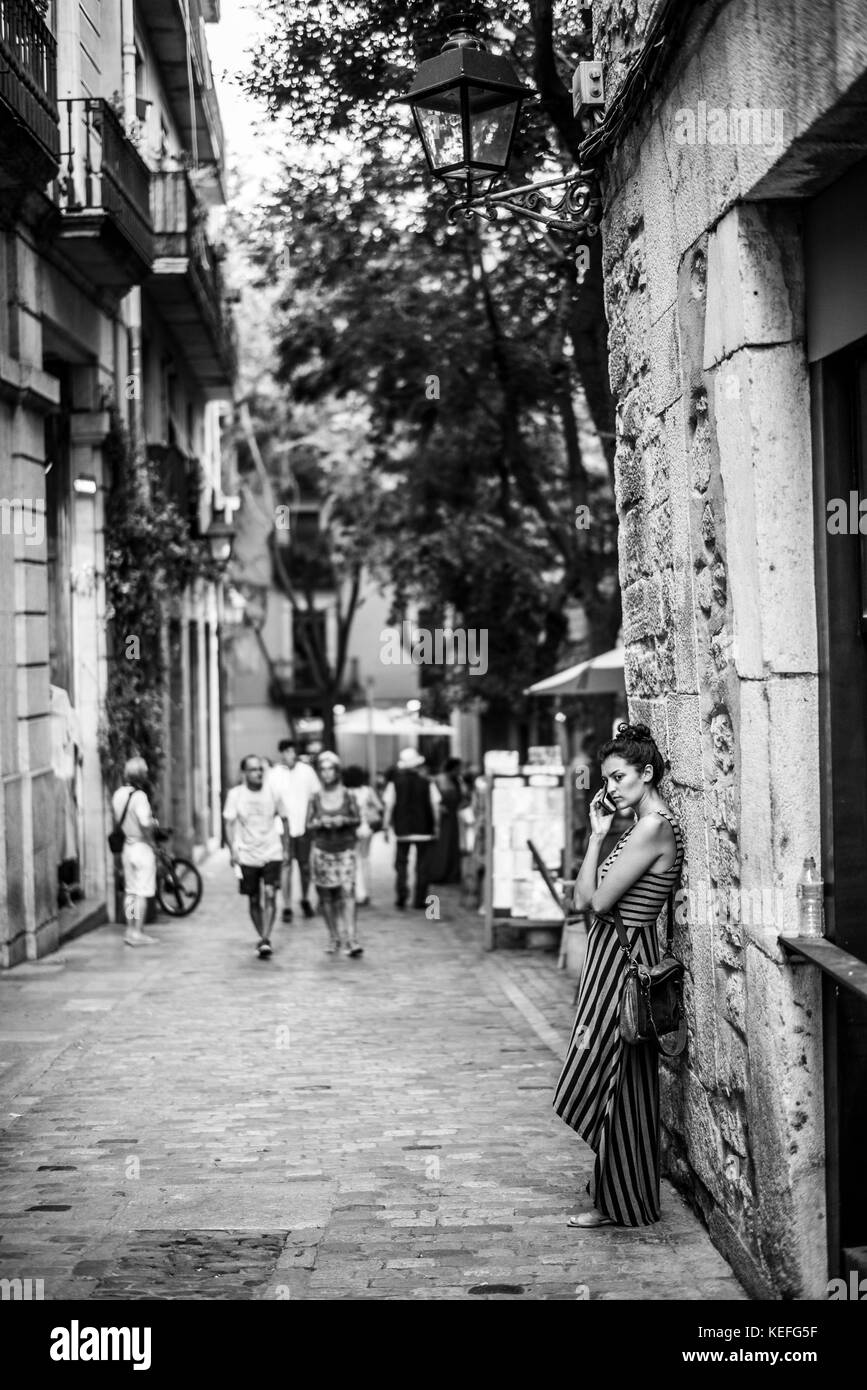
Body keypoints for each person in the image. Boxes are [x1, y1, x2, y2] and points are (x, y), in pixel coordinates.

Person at [553, 722, 684, 1229]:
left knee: (614, 1072)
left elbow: (598, 900)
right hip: (616, 954)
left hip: (625, 960)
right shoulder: (635, 827)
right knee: (619, 1075)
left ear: (646, 773)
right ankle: (618, 1197)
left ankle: (625, 1201)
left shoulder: (653, 827)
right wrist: (597, 836)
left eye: (619, 776)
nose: (609, 788)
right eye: (605, 779)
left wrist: (599, 845)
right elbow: (581, 898)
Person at [223, 755, 289, 959]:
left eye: (260, 769)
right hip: (247, 854)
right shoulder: (236, 795)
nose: (258, 773)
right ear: (244, 773)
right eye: (253, 770)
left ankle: (265, 938)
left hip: (271, 851)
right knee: (253, 899)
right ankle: (132, 921)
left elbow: (285, 819)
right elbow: (228, 823)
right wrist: (233, 849)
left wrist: (286, 849)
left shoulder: (272, 792)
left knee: (270, 893)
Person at [306, 752, 363, 957]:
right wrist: (321, 823)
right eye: (323, 769)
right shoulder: (314, 797)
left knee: (348, 892)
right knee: (327, 897)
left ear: (337, 772)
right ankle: (333, 936)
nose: (327, 773)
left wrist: (343, 820)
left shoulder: (348, 795)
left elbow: (357, 819)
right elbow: (308, 824)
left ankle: (352, 937)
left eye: (331, 768)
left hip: (345, 849)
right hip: (323, 851)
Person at [267, 738, 320, 923]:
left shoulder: (307, 771)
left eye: (293, 751)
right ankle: (287, 905)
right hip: (282, 828)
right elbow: (270, 801)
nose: (290, 755)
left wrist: (310, 821)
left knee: (305, 865)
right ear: (281, 753)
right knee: (286, 865)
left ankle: (305, 898)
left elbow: (314, 798)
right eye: (287, 751)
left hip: (304, 825)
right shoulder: (273, 774)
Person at [382, 748, 441, 910]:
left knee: (401, 863)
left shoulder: (395, 783)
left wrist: (386, 827)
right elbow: (435, 806)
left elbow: (389, 806)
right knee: (423, 866)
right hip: (424, 829)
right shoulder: (427, 782)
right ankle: (420, 899)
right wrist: (436, 826)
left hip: (402, 830)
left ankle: (402, 895)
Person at [112, 757, 159, 947]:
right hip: (141, 846)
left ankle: (129, 929)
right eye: (145, 772)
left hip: (127, 847)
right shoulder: (139, 797)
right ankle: (138, 932)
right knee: (142, 892)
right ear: (141, 775)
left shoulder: (118, 795)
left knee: (130, 892)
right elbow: (145, 822)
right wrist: (153, 827)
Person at [342, 765, 383, 906]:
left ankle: (355, 891)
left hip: (349, 829)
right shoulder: (367, 791)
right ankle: (365, 892)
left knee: (352, 861)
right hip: (365, 828)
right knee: (365, 860)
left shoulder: (344, 792)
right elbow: (379, 807)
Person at [429, 756, 464, 884]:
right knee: (442, 845)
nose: (460, 770)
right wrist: (439, 807)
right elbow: (433, 798)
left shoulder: (457, 780)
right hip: (443, 818)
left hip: (454, 817)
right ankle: (439, 873)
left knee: (453, 846)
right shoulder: (439, 780)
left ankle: (451, 873)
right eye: (458, 768)